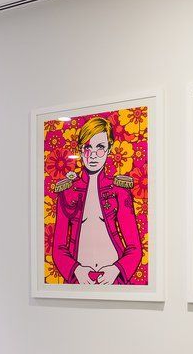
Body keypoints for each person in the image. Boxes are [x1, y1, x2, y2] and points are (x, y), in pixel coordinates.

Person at [49, 116, 143, 285]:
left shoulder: (120, 191)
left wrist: (116, 270)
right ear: (79, 149)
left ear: (109, 148)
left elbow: (134, 248)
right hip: (78, 280)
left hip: (115, 279)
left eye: (100, 147)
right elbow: (58, 248)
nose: (92, 155)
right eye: (87, 147)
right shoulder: (67, 192)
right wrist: (76, 270)